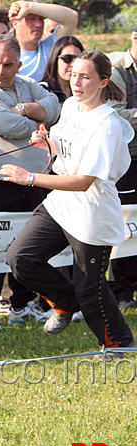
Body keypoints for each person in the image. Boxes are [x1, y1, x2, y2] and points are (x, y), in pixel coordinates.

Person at [3, 51, 136, 356]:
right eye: (74, 74)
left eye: (86, 76)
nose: (77, 82)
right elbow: (68, 152)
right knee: (20, 259)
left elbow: (84, 181)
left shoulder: (108, 125)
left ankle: (119, 345)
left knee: (91, 290)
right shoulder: (70, 106)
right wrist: (47, 143)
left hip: (92, 211)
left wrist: (30, 178)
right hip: (62, 204)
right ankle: (64, 302)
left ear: (103, 82)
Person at [0, 33, 60, 331]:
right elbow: (9, 126)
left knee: (27, 244)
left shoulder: (25, 85)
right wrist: (36, 118)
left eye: (7, 65)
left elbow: (54, 106)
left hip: (32, 179)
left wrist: (24, 108)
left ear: (18, 65)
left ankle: (22, 304)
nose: (0, 71)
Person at [107, 27, 137, 310]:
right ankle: (122, 291)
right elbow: (116, 112)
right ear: (135, 37)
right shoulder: (117, 70)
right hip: (127, 161)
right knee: (125, 224)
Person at [8, 0, 78, 82]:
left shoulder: (50, 47)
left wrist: (29, 7)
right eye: (31, 19)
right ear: (15, 24)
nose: (39, 24)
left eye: (41, 19)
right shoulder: (5, 55)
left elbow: (72, 17)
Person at [39, 36, 84, 104]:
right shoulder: (42, 90)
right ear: (55, 60)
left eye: (78, 59)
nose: (73, 64)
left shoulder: (85, 89)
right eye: (67, 59)